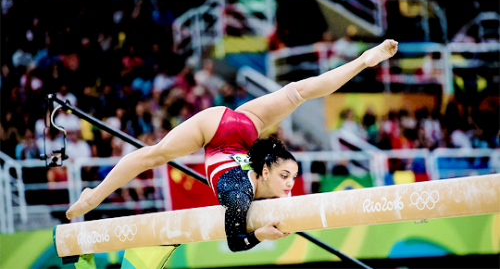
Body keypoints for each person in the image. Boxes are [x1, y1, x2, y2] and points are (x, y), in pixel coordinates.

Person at [66, 40, 398, 251]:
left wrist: (258, 235)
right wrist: (260, 235)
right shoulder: (240, 191)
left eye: (288, 181)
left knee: (299, 91)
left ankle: (363, 61)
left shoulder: (240, 192)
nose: (289, 187)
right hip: (222, 132)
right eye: (287, 179)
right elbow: (238, 241)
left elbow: (236, 239)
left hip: (235, 132)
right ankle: (94, 195)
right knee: (155, 155)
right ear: (266, 171)